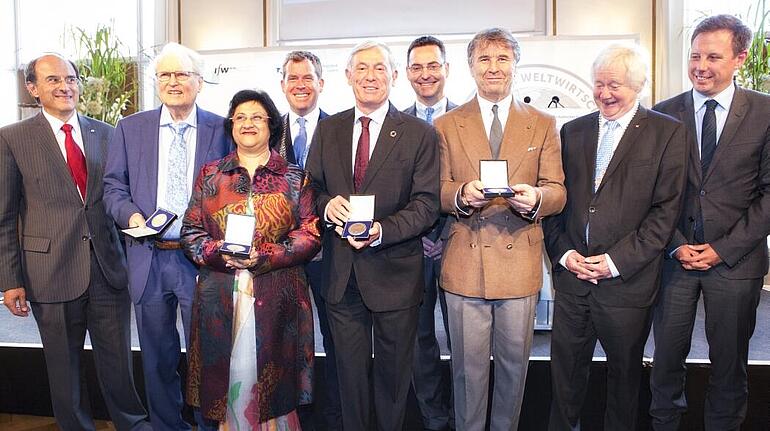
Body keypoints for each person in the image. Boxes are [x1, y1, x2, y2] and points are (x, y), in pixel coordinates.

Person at [0, 54, 149, 431]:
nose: (64, 86)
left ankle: (132, 425)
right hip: (50, 272)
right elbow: (4, 217)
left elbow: (119, 196)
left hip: (107, 270)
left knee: (119, 368)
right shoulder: (12, 138)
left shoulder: (108, 133)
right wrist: (10, 280)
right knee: (64, 374)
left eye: (70, 78)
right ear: (33, 89)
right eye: (52, 80)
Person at [544, 44, 687, 430]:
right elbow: (555, 202)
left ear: (639, 85)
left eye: (615, 85)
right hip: (573, 283)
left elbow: (665, 213)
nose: (604, 93)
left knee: (624, 384)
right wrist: (564, 255)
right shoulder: (572, 131)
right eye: (599, 83)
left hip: (627, 286)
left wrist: (612, 263)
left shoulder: (668, 133)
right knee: (564, 382)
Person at [434, 27, 566, 431]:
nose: (494, 67)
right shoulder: (445, 124)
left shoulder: (543, 123)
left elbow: (558, 189)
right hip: (464, 266)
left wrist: (537, 200)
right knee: (467, 375)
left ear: (515, 64)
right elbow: (435, 191)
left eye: (502, 58)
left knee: (513, 373)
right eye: (485, 59)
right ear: (471, 67)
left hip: (519, 263)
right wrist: (460, 194)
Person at [305, 40, 440, 431]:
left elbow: (426, 205)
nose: (369, 76)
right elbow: (310, 189)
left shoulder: (419, 134)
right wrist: (327, 206)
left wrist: (382, 231)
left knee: (393, 382)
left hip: (396, 275)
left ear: (394, 77)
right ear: (347, 77)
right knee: (349, 380)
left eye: (379, 68)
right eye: (361, 68)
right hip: (341, 276)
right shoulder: (328, 129)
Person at [650, 14, 770, 431]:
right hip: (673, 259)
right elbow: (653, 194)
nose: (701, 65)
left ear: (741, 58)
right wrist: (676, 243)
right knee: (665, 360)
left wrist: (723, 249)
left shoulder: (766, 112)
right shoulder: (662, 116)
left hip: (737, 263)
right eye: (695, 55)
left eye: (713, 57)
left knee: (729, 364)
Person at [103, 42, 231, 431]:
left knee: (206, 355)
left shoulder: (222, 128)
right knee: (157, 358)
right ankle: (166, 426)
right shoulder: (130, 128)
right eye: (165, 75)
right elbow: (113, 187)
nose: (174, 82)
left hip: (200, 259)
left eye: (182, 75)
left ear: (199, 81)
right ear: (156, 81)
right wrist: (133, 216)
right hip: (148, 256)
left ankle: (208, 425)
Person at [180, 89, 320, 430]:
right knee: (227, 377)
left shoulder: (293, 176)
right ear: (231, 126)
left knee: (274, 381)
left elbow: (311, 233)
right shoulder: (212, 174)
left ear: (271, 125)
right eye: (240, 117)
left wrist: (265, 256)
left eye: (256, 117)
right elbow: (191, 231)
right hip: (221, 293)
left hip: (278, 295)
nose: (248, 123)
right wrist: (219, 253)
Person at [278, 50, 341, 430]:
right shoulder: (269, 132)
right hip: (283, 258)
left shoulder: (342, 129)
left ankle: (333, 418)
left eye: (307, 78)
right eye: (292, 78)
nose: (300, 85)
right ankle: (289, 417)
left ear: (321, 82)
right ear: (283, 85)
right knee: (285, 341)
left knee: (336, 343)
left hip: (332, 256)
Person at [403, 34, 456, 431]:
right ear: (407, 73)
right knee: (420, 339)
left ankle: (463, 414)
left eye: (432, 65)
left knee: (464, 342)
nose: (426, 74)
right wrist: (416, 232)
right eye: (417, 67)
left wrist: (444, 232)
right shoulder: (395, 124)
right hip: (409, 249)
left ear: (447, 69)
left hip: (459, 244)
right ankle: (433, 417)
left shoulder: (466, 121)